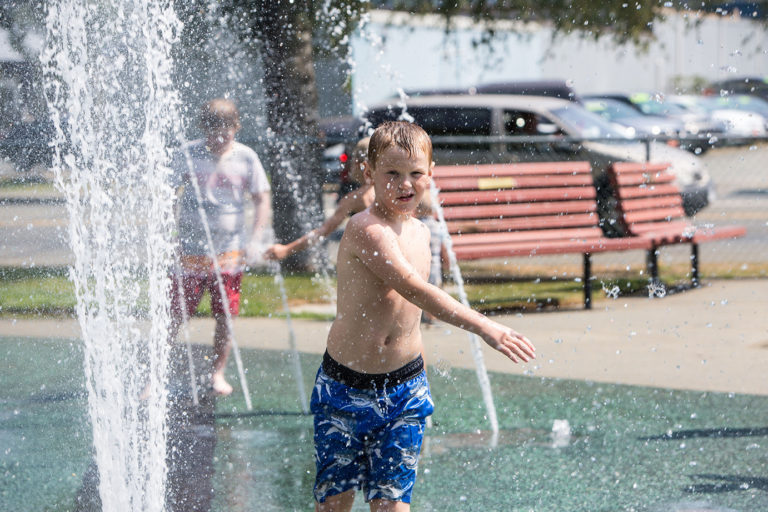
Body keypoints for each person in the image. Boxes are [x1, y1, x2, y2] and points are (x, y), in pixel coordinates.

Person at [311, 121, 535, 511]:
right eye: (392, 174)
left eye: (415, 173)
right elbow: (415, 289)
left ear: (430, 174)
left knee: (393, 504)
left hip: (403, 389)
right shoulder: (366, 228)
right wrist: (484, 325)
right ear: (369, 174)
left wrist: (422, 377)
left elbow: (410, 318)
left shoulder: (421, 231)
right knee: (336, 504)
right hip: (345, 388)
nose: (405, 184)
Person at [169, 98, 272, 396]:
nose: (219, 138)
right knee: (176, 314)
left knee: (225, 316)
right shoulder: (187, 154)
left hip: (230, 253)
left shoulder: (247, 157)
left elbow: (261, 197)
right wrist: (169, 235)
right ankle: (155, 375)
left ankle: (217, 373)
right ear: (203, 128)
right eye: (213, 131)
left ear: (236, 128)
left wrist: (255, 239)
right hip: (189, 251)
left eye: (225, 131)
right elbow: (168, 193)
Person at [264, 137, 373, 261]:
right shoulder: (388, 192)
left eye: (352, 160)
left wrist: (287, 249)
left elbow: (323, 231)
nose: (350, 166)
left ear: (361, 164)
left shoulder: (354, 199)